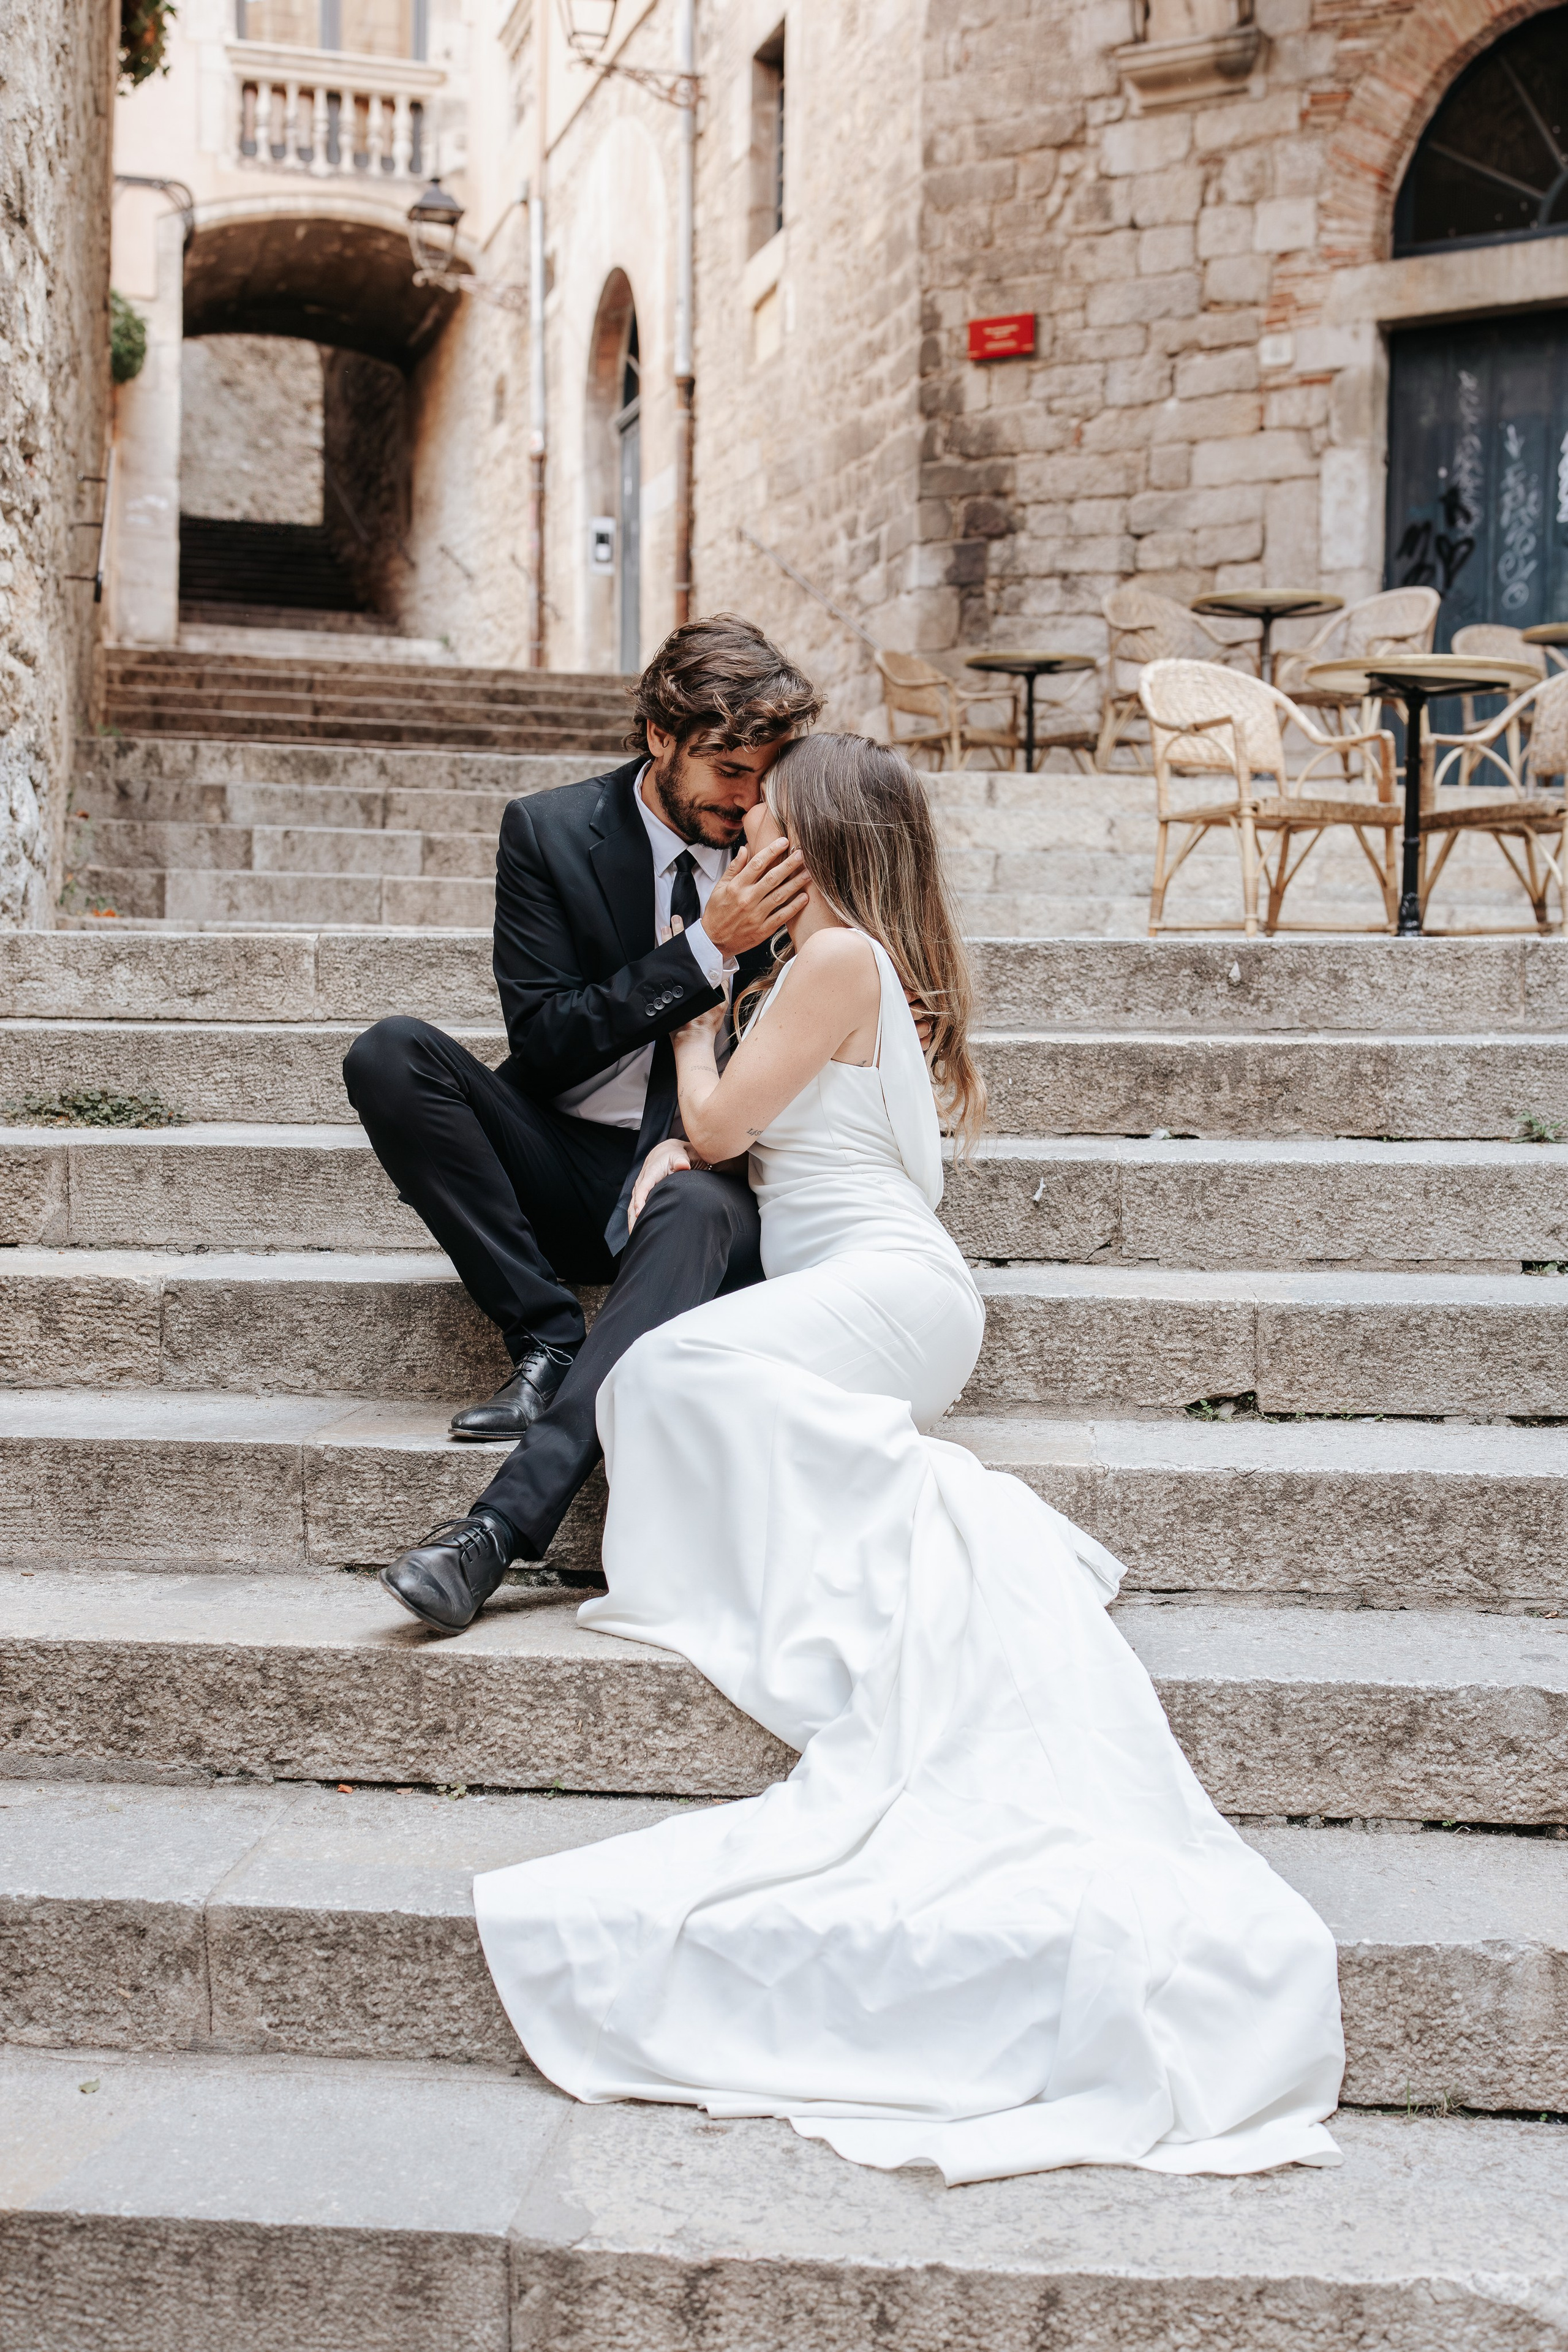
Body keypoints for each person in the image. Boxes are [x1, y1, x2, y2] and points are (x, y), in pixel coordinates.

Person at [471, 734, 1346, 2186]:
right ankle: (877, 1526)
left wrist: (691, 1026)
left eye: (775, 813)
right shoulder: (852, 966)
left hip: (888, 1290)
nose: (750, 823)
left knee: (673, 1371)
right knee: (680, 1379)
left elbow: (714, 1123)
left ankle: (937, 1518)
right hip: (886, 1293)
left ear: (818, 839)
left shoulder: (830, 965)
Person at [343, 614, 822, 1629]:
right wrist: (706, 950)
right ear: (659, 735)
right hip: (563, 1157)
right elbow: (550, 1039)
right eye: (727, 769)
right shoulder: (551, 831)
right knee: (390, 1053)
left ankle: (492, 1534)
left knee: (694, 1202)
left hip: (706, 1172)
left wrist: (702, 1135)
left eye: (764, 773)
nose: (745, 800)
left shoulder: (789, 847)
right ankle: (548, 1335)